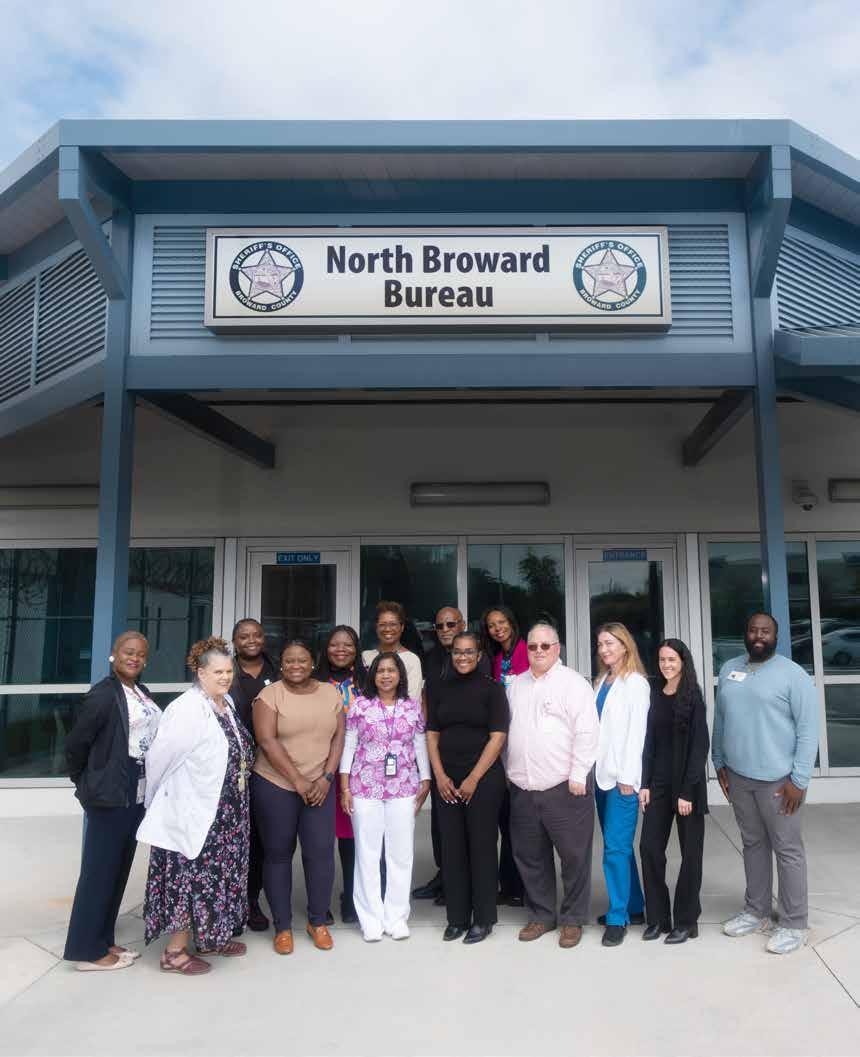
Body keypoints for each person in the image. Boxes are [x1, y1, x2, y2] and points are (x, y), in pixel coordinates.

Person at [140, 637, 252, 975]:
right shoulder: (186, 708)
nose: (225, 677)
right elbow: (159, 759)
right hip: (195, 811)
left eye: (229, 671)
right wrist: (158, 801)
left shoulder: (225, 703)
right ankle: (174, 953)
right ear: (200, 673)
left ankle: (211, 938)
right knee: (190, 880)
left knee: (219, 877)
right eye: (217, 672)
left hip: (228, 812)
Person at [713, 612, 818, 955]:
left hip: (779, 781)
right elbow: (721, 718)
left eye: (766, 631)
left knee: (788, 850)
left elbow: (808, 730)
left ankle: (794, 924)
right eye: (753, 630)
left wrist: (799, 779)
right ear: (746, 633)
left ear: (776, 636)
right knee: (753, 844)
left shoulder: (793, 675)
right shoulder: (729, 669)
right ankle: (756, 911)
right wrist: (718, 760)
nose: (759, 636)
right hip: (738, 776)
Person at [63, 632, 160, 971]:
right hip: (110, 792)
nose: (134, 658)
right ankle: (86, 952)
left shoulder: (140, 692)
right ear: (114, 654)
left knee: (117, 870)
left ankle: (103, 939)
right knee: (98, 872)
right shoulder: (103, 695)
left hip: (134, 789)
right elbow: (75, 746)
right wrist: (85, 783)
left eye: (140, 654)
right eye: (128, 652)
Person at [507, 622, 599, 949]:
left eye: (545, 646)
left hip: (565, 786)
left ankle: (572, 919)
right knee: (530, 857)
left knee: (574, 857)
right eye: (533, 646)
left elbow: (587, 731)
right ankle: (541, 915)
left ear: (557, 648)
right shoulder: (516, 685)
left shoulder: (573, 684)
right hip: (523, 788)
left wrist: (579, 774)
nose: (538, 651)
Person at [252, 638, 345, 955]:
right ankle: (282, 927)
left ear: (313, 663)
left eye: (302, 660)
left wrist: (327, 777)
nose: (295, 666)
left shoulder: (330, 693)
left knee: (320, 853)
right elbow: (267, 740)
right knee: (278, 854)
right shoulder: (270, 695)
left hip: (320, 786)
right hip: (276, 784)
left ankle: (317, 921)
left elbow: (339, 737)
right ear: (281, 664)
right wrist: (298, 781)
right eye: (289, 660)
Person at [339, 652, 431, 941]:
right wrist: (344, 786)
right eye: (381, 671)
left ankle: (396, 916)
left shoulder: (411, 707)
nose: (386, 676)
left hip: (403, 787)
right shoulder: (360, 706)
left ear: (400, 675)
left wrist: (426, 778)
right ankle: (370, 918)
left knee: (400, 853)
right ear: (373, 676)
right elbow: (349, 745)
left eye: (392, 670)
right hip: (364, 787)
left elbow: (420, 744)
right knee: (367, 853)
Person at [426, 631, 509, 944]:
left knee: (481, 846)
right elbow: (431, 734)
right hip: (446, 779)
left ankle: (483, 918)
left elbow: (498, 737)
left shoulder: (493, 689)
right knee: (452, 848)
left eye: (469, 652)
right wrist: (439, 775)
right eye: (457, 652)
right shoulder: (437, 688)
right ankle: (457, 918)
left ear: (479, 655)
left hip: (483, 779)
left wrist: (473, 778)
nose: (462, 657)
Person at [412, 605, 488, 905]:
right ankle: (445, 876)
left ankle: (465, 882)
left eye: (451, 624)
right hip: (439, 748)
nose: (445, 630)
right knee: (441, 823)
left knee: (470, 824)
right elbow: (426, 699)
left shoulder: (477, 659)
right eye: (440, 625)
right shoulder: (430, 658)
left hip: (471, 753)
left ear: (462, 624)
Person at [638, 639, 709, 944]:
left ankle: (686, 920)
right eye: (662, 660)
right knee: (649, 848)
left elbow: (700, 746)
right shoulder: (655, 693)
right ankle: (657, 918)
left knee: (691, 854)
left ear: (683, 662)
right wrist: (644, 783)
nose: (666, 665)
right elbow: (649, 743)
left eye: (672, 660)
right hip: (658, 785)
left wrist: (688, 792)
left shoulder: (693, 696)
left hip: (686, 786)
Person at [594, 622, 650, 947]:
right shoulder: (602, 681)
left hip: (622, 781)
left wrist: (629, 778)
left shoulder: (636, 683)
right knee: (619, 847)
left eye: (610, 643)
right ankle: (635, 906)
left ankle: (617, 918)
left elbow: (637, 734)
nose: (604, 649)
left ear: (625, 646)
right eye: (600, 644)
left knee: (614, 849)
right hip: (601, 777)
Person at [315, 625, 367, 924]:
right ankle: (320, 902)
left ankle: (351, 897)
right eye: (335, 644)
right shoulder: (314, 682)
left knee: (351, 838)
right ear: (326, 648)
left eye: (347, 644)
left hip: (358, 770)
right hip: (321, 767)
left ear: (356, 649)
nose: (341, 650)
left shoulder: (367, 680)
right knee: (320, 839)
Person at [228, 618, 278, 933]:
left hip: (271, 766)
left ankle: (251, 901)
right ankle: (229, 905)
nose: (251, 640)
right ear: (235, 641)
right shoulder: (225, 672)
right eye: (244, 636)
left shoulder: (279, 670)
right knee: (234, 838)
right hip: (232, 768)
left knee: (260, 839)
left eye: (256, 635)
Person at [362, 601, 423, 703]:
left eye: (393, 624)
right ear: (376, 627)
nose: (387, 629)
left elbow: (412, 700)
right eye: (382, 624)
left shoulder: (412, 660)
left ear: (402, 627)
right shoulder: (366, 657)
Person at [481, 606, 529, 689]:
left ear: (511, 623)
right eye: (491, 626)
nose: (497, 628)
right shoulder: (497, 658)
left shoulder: (529, 651)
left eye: (501, 622)